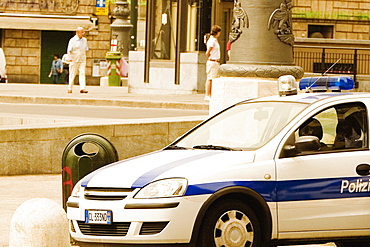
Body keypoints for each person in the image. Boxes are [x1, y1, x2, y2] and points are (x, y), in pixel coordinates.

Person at [67, 27, 89, 93]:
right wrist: (70, 58)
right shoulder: (72, 40)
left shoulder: (85, 40)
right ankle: (70, 88)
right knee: (72, 74)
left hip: (82, 59)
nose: (83, 33)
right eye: (82, 32)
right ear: (77, 33)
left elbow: (85, 49)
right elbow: (69, 50)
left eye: (83, 32)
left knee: (82, 73)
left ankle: (82, 88)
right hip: (74, 59)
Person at [205, 25, 221, 101]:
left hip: (215, 61)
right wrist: (210, 56)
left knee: (213, 78)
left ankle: (210, 94)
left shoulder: (214, 40)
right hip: (212, 61)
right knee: (210, 78)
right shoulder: (212, 41)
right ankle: (207, 94)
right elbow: (208, 52)